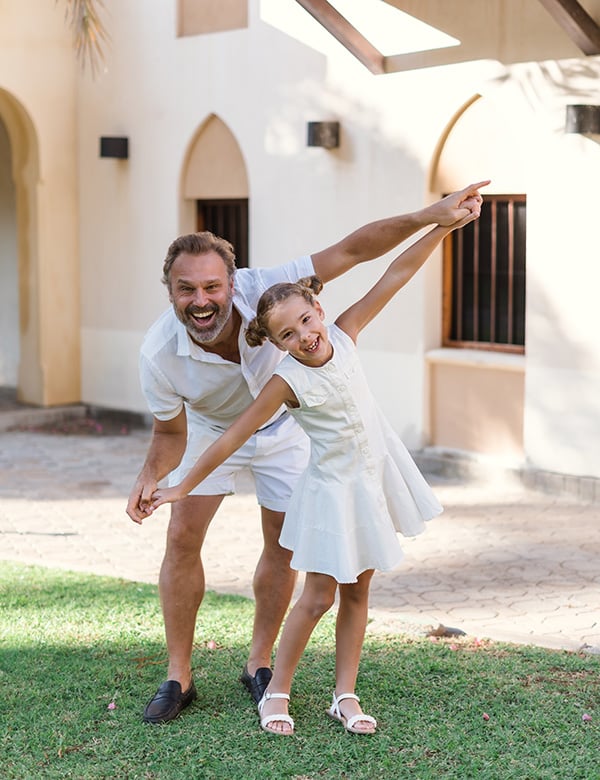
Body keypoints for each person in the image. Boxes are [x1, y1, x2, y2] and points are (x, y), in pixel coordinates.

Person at [126, 181, 488, 725]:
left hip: (295, 428)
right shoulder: (161, 353)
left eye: (211, 286)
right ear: (170, 291)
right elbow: (178, 434)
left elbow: (359, 254)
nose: (201, 300)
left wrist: (434, 220)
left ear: (233, 283)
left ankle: (260, 667)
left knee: (285, 546)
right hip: (214, 428)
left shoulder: (297, 309)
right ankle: (179, 675)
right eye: (185, 289)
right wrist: (163, 481)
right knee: (181, 535)